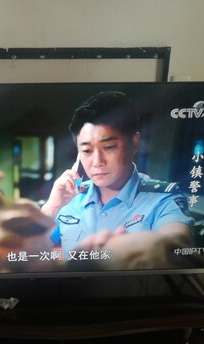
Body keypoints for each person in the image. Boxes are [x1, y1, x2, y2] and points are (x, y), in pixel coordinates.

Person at [41, 91, 194, 261]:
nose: (97, 162)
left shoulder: (162, 199)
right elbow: (30, 251)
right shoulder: (70, 199)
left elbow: (176, 242)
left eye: (109, 147)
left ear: (134, 143)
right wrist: (51, 208)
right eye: (87, 150)